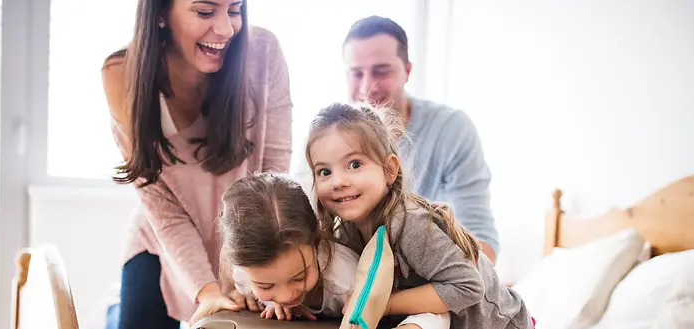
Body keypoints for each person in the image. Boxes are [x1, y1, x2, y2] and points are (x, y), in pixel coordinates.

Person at [100, 0, 293, 328]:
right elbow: (162, 209)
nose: (225, 29)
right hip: (163, 243)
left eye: (234, 9)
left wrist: (245, 272)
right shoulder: (123, 74)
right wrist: (207, 290)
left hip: (243, 242)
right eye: (205, 12)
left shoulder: (262, 53)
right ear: (161, 13)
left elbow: (272, 176)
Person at [305, 102, 534, 329]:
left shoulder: (409, 224)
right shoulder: (348, 227)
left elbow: (468, 286)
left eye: (355, 164)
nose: (338, 182)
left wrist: (386, 304)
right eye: (325, 171)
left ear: (390, 170)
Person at [342, 15, 499, 263]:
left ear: (407, 71)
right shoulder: (328, 136)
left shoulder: (452, 131)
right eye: (357, 73)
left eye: (381, 71)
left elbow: (482, 244)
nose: (367, 88)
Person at [208, 172, 451, 329]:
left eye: (299, 277)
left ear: (317, 243)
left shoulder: (347, 280)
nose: (284, 296)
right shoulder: (244, 273)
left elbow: (436, 311)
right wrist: (268, 302)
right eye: (266, 286)